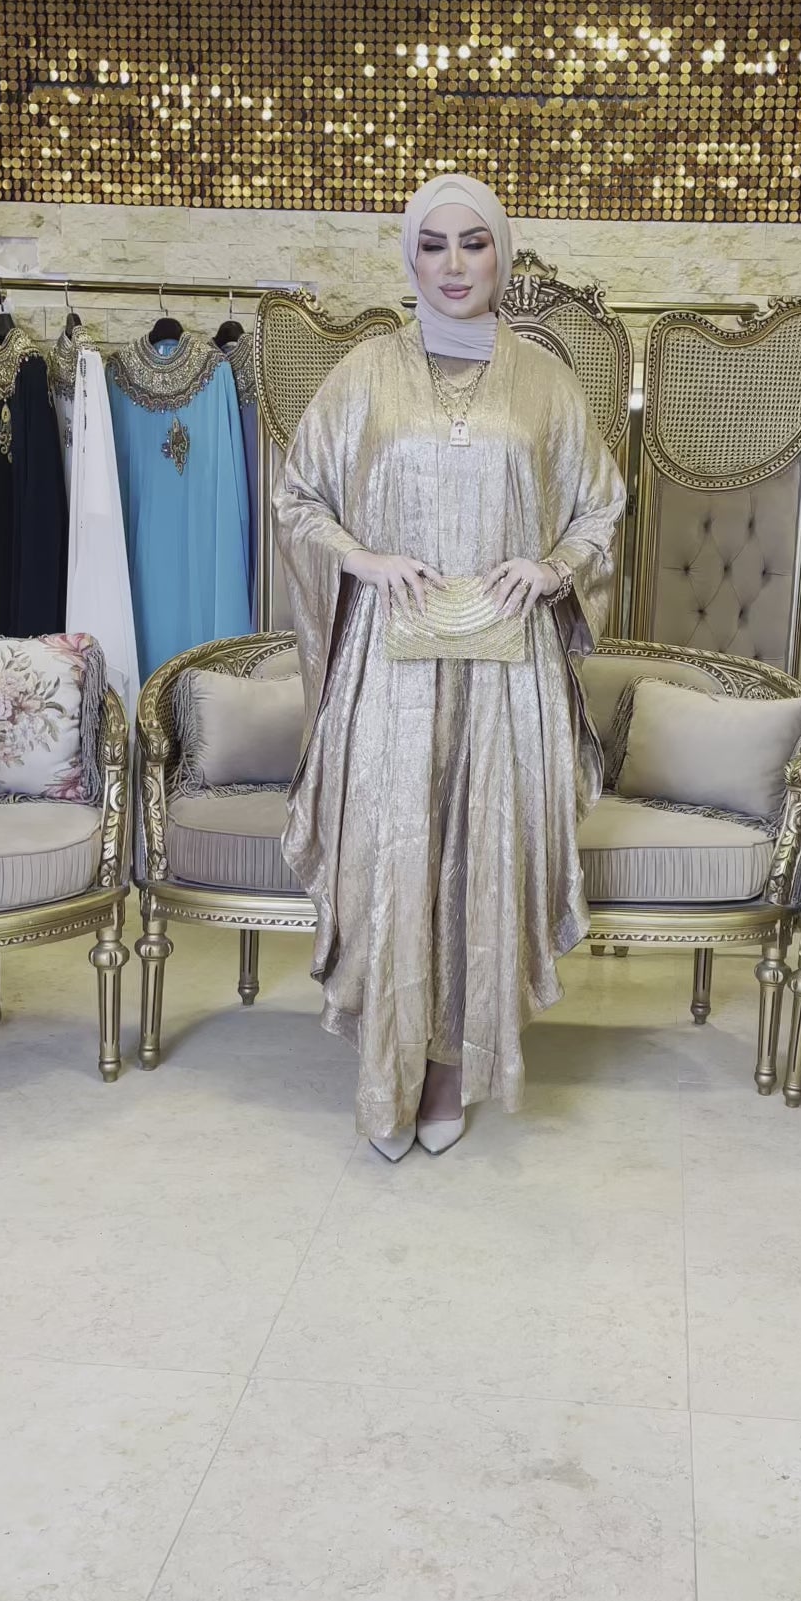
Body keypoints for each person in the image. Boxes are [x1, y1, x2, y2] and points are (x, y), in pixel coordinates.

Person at [273, 173, 626, 1159]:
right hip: (388, 665)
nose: (455, 264)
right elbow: (298, 499)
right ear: (411, 258)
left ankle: (451, 1068)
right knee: (393, 857)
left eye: (474, 242)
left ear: (502, 254)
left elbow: (601, 506)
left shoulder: (547, 382)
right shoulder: (363, 375)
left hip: (508, 669)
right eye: (434, 245)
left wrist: (553, 567)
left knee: (484, 857)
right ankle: (388, 1065)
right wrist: (362, 558)